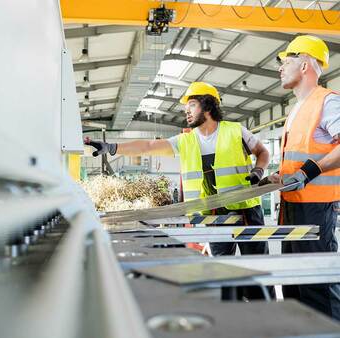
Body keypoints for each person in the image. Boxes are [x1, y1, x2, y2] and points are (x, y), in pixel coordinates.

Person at [85, 82, 271, 298]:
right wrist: (112, 147)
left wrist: (258, 171)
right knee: (222, 269)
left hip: (246, 210)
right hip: (213, 215)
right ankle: (232, 311)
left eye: (192, 104)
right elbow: (148, 147)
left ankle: (266, 309)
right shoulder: (186, 141)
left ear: (208, 106)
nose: (186, 111)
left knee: (257, 268)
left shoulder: (236, 131)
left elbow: (263, 152)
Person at [259, 35, 340, 320]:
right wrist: (278, 177)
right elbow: (298, 158)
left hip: (316, 209)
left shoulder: (327, 102)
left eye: (286, 62)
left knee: (318, 286)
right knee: (294, 285)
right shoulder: (295, 110)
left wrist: (310, 171)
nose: (280, 68)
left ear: (305, 65)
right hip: (291, 207)